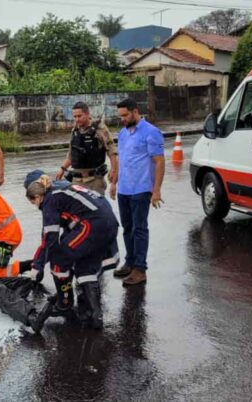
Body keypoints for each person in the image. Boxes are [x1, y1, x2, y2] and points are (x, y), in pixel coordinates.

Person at [25, 172, 119, 329]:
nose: (36, 206)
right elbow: (70, 221)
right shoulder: (60, 186)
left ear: (37, 196)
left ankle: (65, 303)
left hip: (92, 225)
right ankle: (95, 315)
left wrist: (38, 266)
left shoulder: (49, 200)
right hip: (108, 222)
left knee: (58, 260)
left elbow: (50, 238)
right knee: (85, 266)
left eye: (33, 202)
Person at [111, 98, 165, 286]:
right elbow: (122, 159)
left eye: (125, 115)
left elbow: (159, 161)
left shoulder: (151, 132)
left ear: (135, 112)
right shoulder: (123, 133)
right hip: (124, 189)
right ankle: (130, 262)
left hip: (142, 189)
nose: (123, 119)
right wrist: (114, 182)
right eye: (121, 116)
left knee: (139, 228)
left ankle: (140, 270)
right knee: (127, 228)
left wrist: (156, 190)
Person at [55, 102, 119, 197]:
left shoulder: (100, 128)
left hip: (95, 180)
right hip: (77, 180)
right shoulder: (75, 130)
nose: (77, 119)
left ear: (87, 114)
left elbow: (111, 150)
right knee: (78, 209)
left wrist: (114, 170)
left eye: (79, 116)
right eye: (75, 116)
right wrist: (62, 169)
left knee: (97, 209)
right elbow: (71, 154)